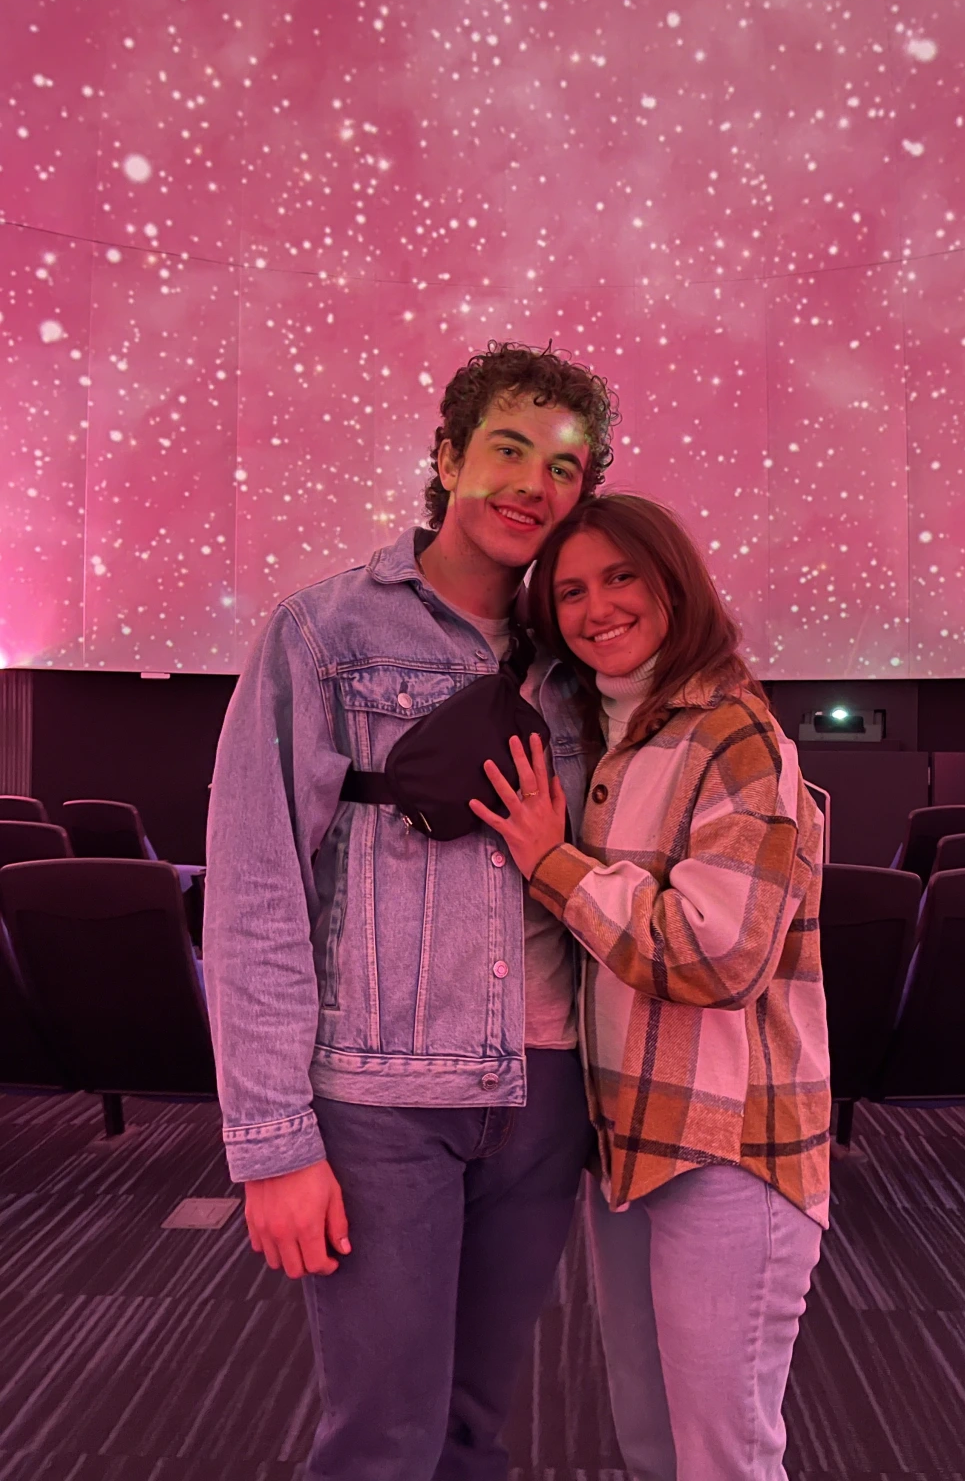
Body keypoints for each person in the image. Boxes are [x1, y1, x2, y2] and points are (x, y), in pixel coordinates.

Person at [203, 342, 618, 1480]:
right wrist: (272, 1142)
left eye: (567, 466)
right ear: (447, 457)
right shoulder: (325, 633)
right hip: (383, 1101)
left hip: (545, 1089)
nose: (537, 482)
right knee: (381, 1435)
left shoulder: (582, 657)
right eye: (510, 449)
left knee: (474, 1427)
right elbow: (253, 894)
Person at [469, 492, 830, 1481]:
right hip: (631, 1144)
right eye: (572, 590)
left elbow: (718, 956)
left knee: (722, 1454)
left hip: (731, 1148)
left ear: (674, 582)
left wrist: (556, 863)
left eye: (620, 576)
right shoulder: (613, 740)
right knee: (655, 1443)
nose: (597, 607)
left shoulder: (734, 737)